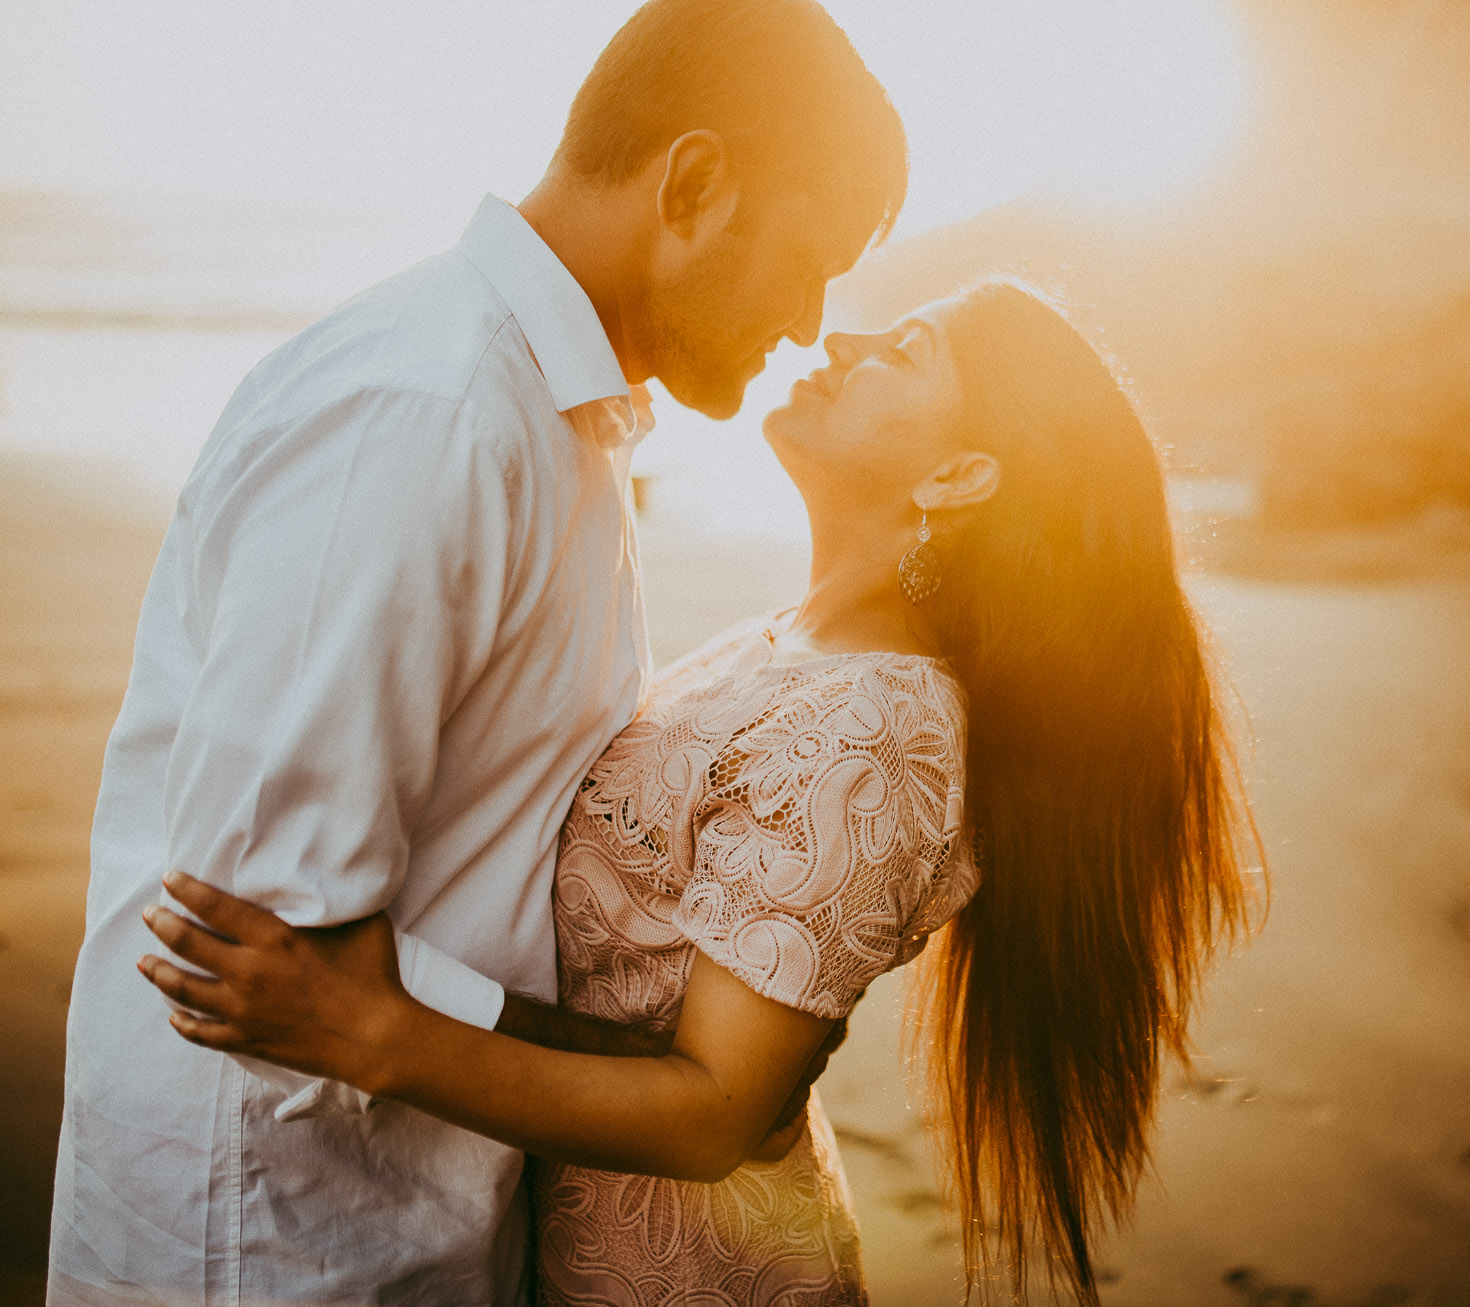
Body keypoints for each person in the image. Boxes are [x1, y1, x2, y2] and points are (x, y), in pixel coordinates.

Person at [138, 281, 1266, 1305]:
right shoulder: (796, 643)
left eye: (903, 351)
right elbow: (632, 1000)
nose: (840, 334)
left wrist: (375, 1031)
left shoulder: (877, 725)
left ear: (957, 475)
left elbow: (712, 1110)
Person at [51, 1, 906, 1302]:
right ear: (694, 182)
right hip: (277, 1242)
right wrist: (674, 1077)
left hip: (414, 1209)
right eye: (812, 260)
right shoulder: (432, 413)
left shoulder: (569, 427)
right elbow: (271, 956)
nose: (808, 320)